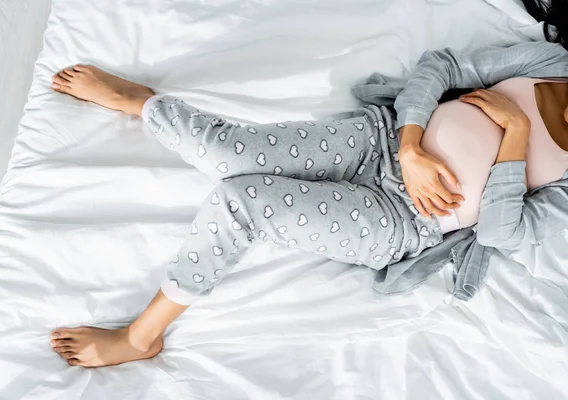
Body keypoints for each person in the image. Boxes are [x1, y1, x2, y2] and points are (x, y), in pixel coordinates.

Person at [46, 0, 568, 367]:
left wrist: (517, 133)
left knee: (242, 201)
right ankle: (145, 103)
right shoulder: (553, 64)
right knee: (228, 151)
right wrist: (409, 146)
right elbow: (443, 66)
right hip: (381, 139)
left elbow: (505, 231)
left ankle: (142, 336)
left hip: (404, 219)